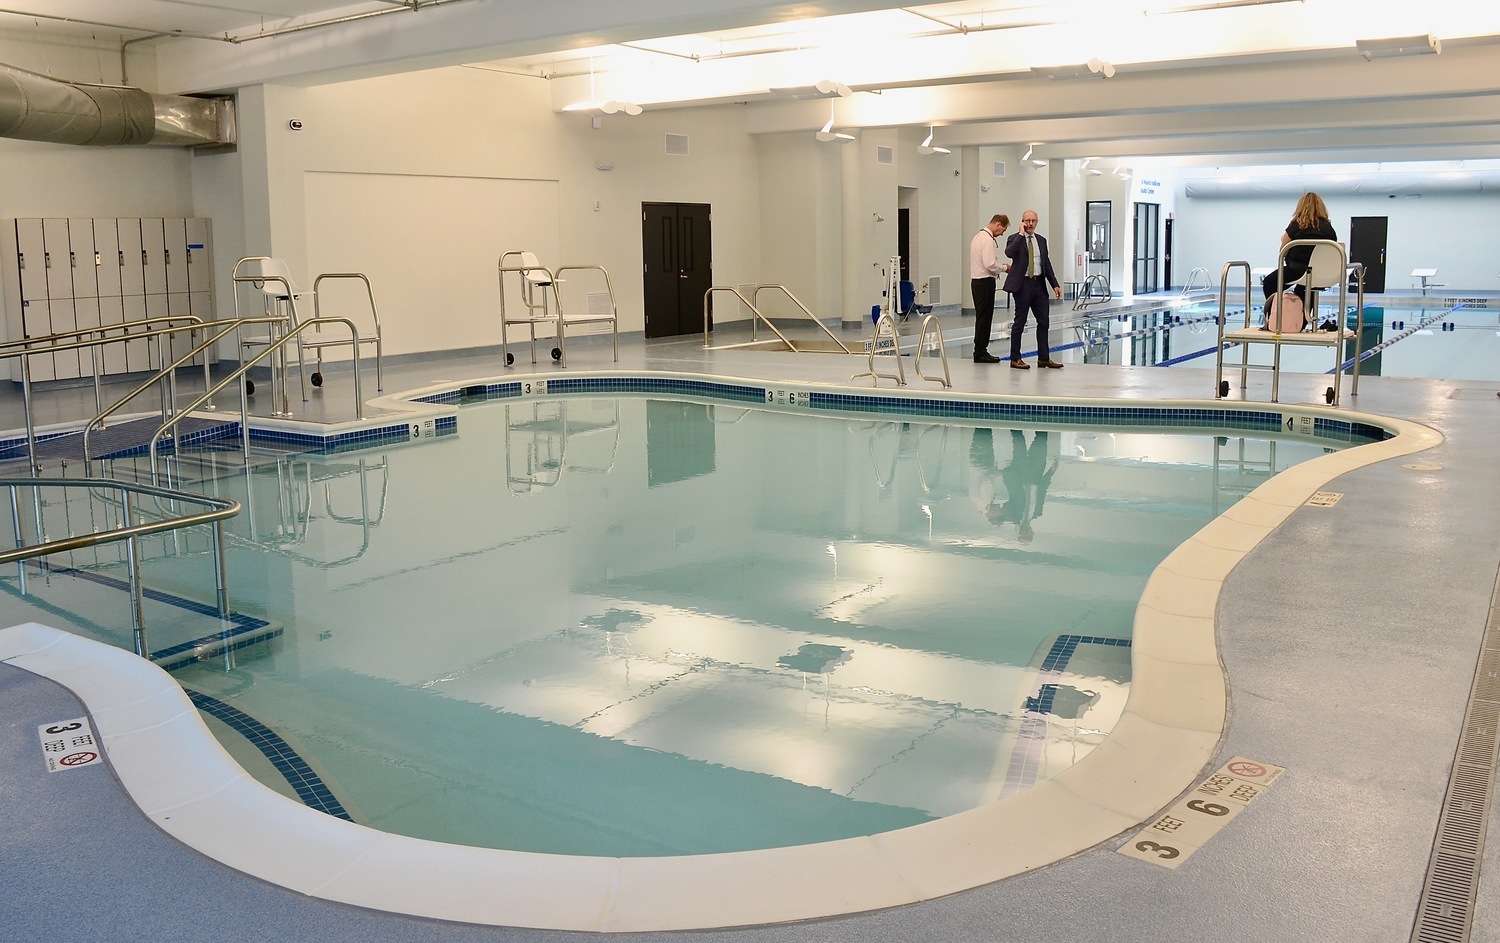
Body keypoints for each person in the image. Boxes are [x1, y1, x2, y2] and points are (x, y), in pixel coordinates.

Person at [1003, 210, 1065, 369]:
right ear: (1022, 222)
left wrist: (1055, 285)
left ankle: (1043, 358)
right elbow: (1009, 253)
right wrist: (1021, 235)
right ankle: (1015, 358)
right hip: (1022, 285)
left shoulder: (1042, 241)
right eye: (1027, 221)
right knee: (1020, 322)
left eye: (1033, 221)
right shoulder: (1014, 238)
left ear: (1037, 222)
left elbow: (1047, 264)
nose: (1030, 224)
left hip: (1039, 284)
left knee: (1044, 322)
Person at [974, 428, 1057, 544]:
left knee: (1019, 443)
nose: (1025, 532)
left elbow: (1002, 509)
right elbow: (1042, 491)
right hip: (1036, 475)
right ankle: (1042, 418)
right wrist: (1050, 472)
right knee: (1041, 441)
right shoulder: (1037, 512)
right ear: (1032, 532)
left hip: (1020, 475)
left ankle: (1015, 418)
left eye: (1023, 534)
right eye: (1028, 534)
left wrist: (1017, 525)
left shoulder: (1012, 515)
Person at [1263, 191, 1336, 310]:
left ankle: (1275, 314)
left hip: (1297, 270)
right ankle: (1301, 320)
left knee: (1269, 283)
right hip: (1321, 272)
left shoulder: (1297, 225)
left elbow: (1283, 250)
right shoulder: (1328, 228)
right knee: (1307, 288)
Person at [969, 214, 1011, 363]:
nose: (1002, 234)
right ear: (998, 224)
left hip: (977, 282)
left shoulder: (978, 236)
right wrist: (1005, 267)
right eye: (1003, 230)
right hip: (984, 282)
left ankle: (979, 350)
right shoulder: (987, 239)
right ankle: (980, 352)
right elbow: (990, 264)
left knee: (982, 318)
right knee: (985, 319)